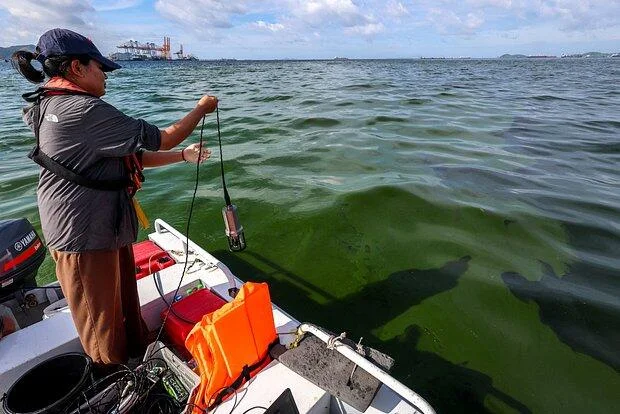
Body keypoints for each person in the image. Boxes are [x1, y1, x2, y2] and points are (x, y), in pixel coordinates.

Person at [12, 28, 218, 366]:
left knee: (124, 308)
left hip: (103, 228)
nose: (105, 76)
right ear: (77, 67)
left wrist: (183, 157)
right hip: (82, 236)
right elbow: (162, 138)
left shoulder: (49, 103)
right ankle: (118, 381)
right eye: (100, 68)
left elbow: (126, 155)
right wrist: (201, 108)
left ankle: (139, 358)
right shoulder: (82, 111)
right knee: (101, 327)